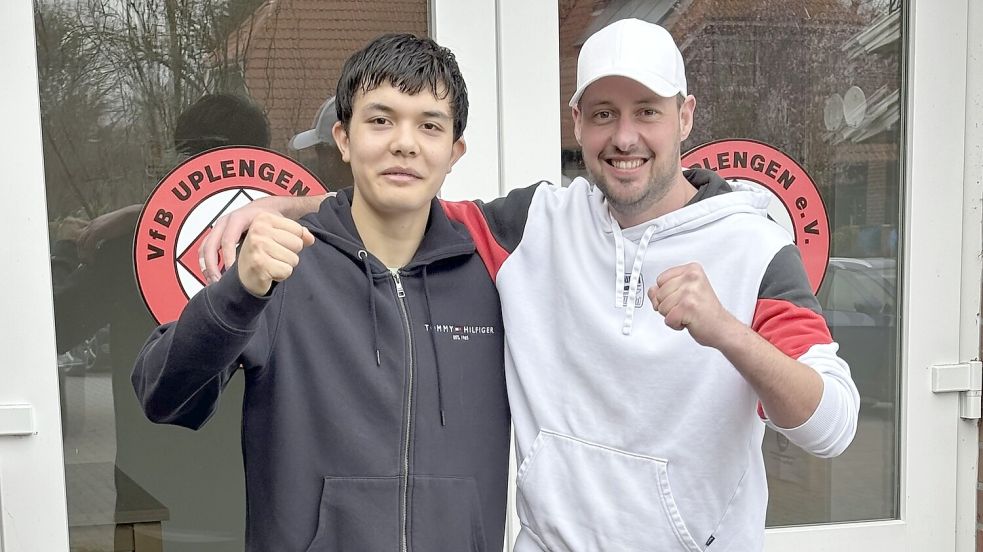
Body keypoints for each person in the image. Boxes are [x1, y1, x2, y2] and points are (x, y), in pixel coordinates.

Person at [200, 19, 860, 551]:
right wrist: (284, 207)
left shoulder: (753, 246)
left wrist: (726, 332)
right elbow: (403, 208)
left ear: (684, 117)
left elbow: (829, 426)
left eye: (646, 112)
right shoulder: (535, 224)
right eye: (602, 114)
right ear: (576, 123)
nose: (623, 136)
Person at [132, 34, 510, 552]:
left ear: (454, 151)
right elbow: (162, 396)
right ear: (344, 138)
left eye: (429, 125)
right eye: (380, 120)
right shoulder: (280, 268)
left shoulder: (494, 271)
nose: (405, 142)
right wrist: (239, 291)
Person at [54, 93, 271, 552]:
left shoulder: (128, 254)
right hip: (251, 493)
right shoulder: (299, 253)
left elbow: (50, 327)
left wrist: (74, 244)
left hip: (152, 493)